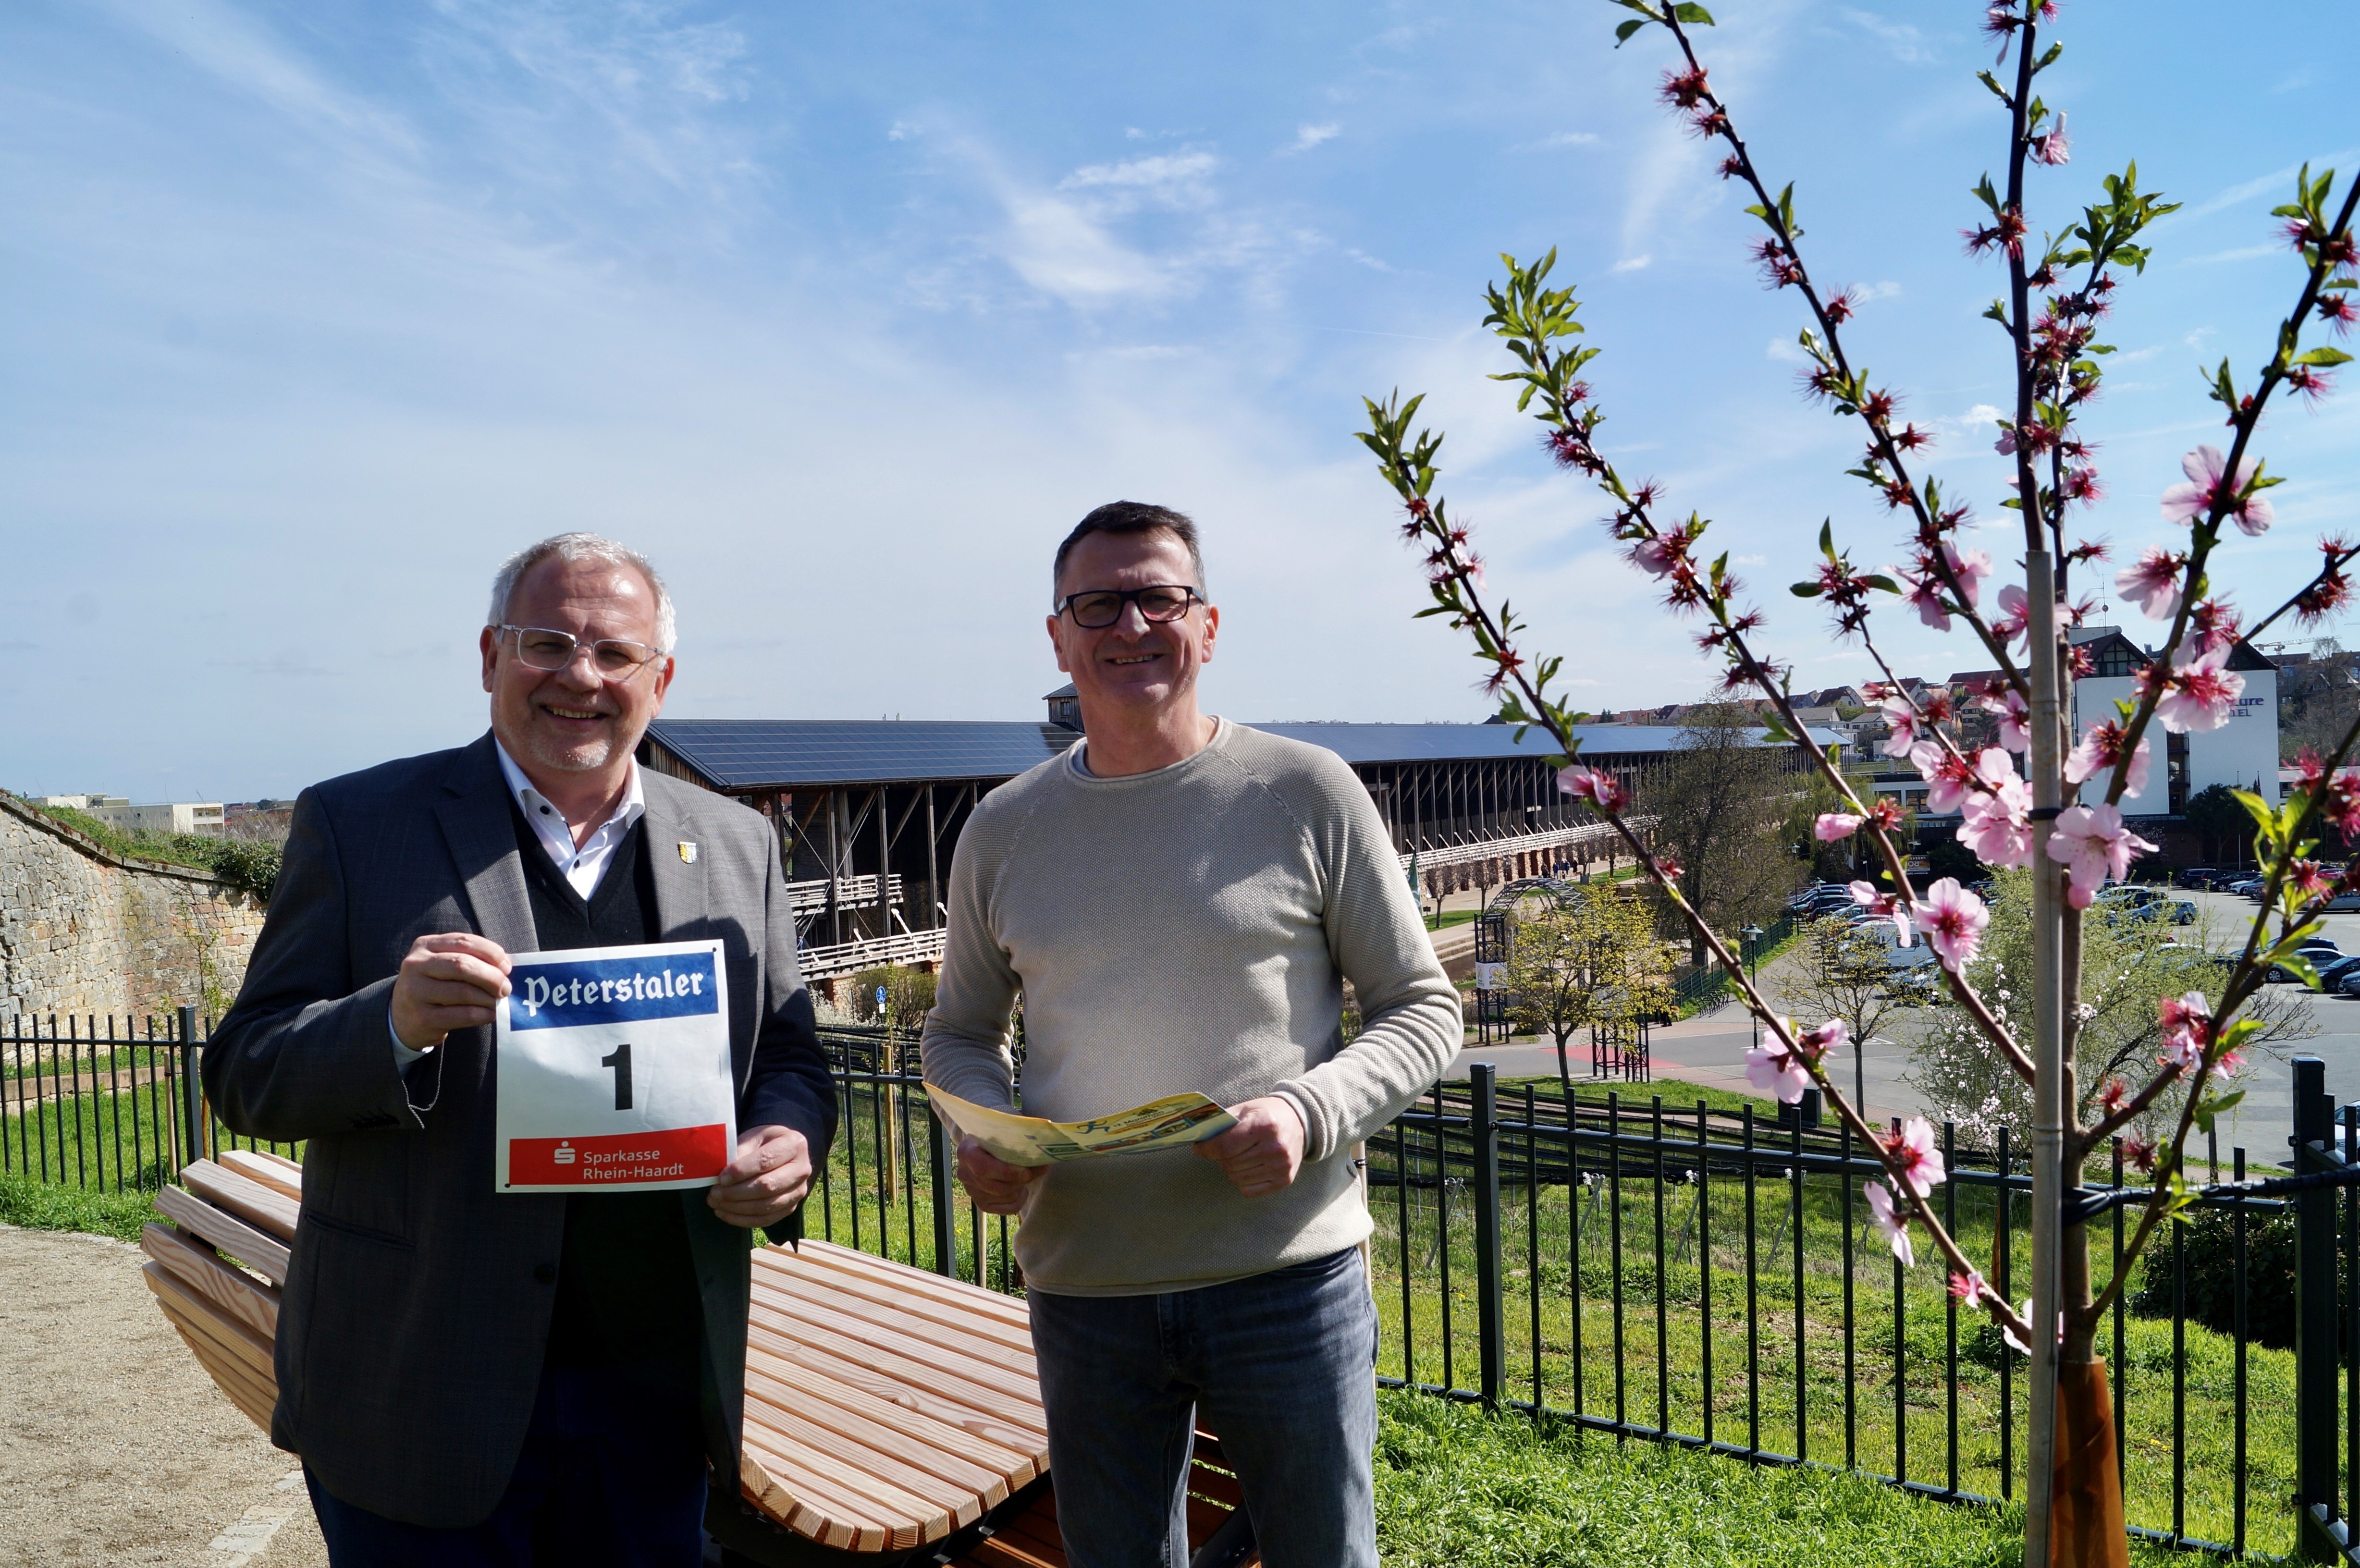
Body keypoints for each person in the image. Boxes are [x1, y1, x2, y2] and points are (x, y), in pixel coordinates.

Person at [204, 533, 835, 1567]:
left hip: (658, 1398)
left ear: (659, 681)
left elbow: (788, 1057)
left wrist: (786, 1137)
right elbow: (245, 1071)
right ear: (491, 656)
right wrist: (392, 1024)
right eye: (548, 644)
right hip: (420, 1395)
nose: (579, 677)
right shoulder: (361, 823)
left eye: (614, 654)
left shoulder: (733, 840)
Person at [920, 501, 1462, 1568]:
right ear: (1059, 635)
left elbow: (1422, 1006)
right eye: (1098, 602)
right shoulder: (1002, 828)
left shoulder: (1305, 791)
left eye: (1158, 597)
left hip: (1286, 1280)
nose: (1130, 624)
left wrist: (1308, 1114)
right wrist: (985, 1133)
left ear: (1205, 626)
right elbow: (960, 1030)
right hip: (1085, 1285)